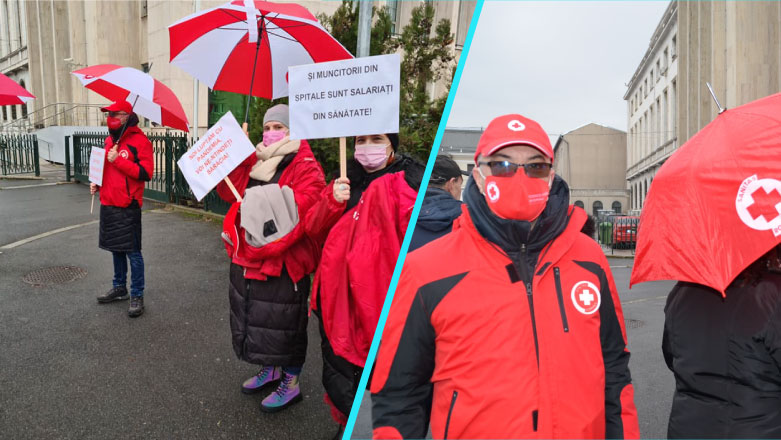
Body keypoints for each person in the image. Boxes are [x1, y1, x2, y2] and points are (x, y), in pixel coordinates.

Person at [371, 114, 639, 439]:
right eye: (502, 165)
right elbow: (398, 396)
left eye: (536, 166)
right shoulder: (425, 269)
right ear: (479, 176)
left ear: (551, 177)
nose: (520, 176)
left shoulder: (589, 257)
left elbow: (614, 369)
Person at [304, 132, 424, 437]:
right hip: (334, 303)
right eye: (359, 140)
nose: (366, 146)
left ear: (392, 145)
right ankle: (346, 424)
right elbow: (314, 230)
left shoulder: (407, 184)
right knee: (339, 373)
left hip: (373, 306)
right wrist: (332, 201)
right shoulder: (343, 181)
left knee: (371, 376)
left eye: (376, 139)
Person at [215, 104, 325, 413]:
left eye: (279, 126)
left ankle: (291, 380)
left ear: (292, 131)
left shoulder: (304, 164)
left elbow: (303, 208)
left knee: (285, 322)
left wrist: (256, 207)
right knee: (258, 317)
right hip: (250, 256)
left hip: (285, 260)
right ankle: (270, 368)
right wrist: (237, 156)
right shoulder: (256, 158)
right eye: (267, 126)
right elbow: (229, 193)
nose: (270, 132)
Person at [662, 244, 781, 439]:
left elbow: (671, 355)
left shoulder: (682, 291)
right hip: (756, 428)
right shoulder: (773, 294)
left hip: (688, 427)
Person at [92, 100, 153, 318]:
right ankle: (119, 287)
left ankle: (137, 294)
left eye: (114, 114)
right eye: (108, 114)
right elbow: (106, 169)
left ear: (127, 115)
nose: (110, 118)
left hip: (128, 205)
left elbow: (146, 173)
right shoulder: (109, 140)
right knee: (115, 248)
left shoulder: (140, 142)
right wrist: (96, 183)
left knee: (132, 252)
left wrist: (119, 160)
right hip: (108, 202)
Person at [408, 154, 467, 251]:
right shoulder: (469, 217)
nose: (459, 190)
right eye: (459, 185)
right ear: (451, 183)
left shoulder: (405, 209)